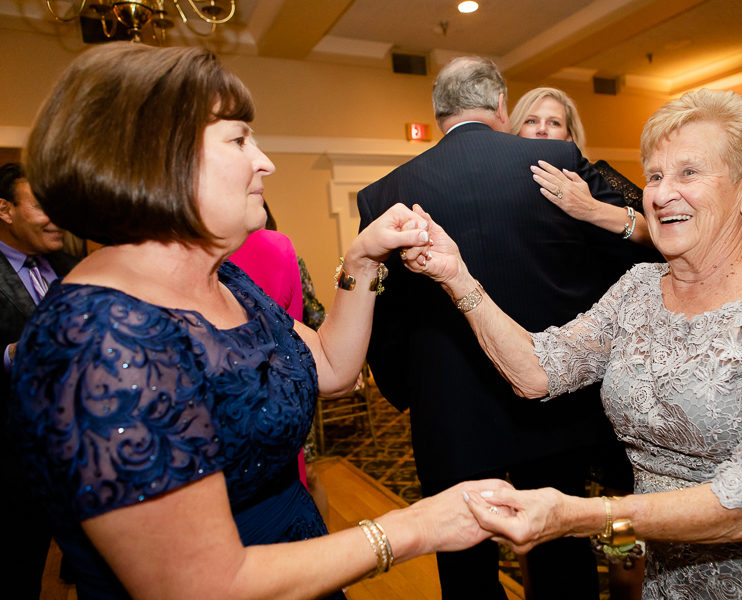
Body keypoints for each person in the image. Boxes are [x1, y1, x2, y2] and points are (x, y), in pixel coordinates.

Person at [9, 43, 491, 600]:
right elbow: (200, 586)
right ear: (157, 160)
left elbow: (331, 368)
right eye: (239, 139)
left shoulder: (226, 279)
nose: (266, 161)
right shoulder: (99, 337)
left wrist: (361, 260)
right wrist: (414, 526)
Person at [406, 88, 742, 598]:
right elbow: (537, 371)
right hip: (677, 576)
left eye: (689, 173)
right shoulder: (640, 288)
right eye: (656, 175)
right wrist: (458, 278)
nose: (661, 194)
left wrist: (585, 516)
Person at [357, 56, 650, 599]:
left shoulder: (383, 194)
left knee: (465, 567)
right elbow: (641, 250)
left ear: (439, 111)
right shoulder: (559, 162)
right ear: (501, 106)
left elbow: (385, 315)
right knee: (562, 552)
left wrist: (411, 390)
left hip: (450, 414)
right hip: (553, 403)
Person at [0, 162, 79, 598]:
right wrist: (14, 354)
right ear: (6, 210)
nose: (56, 217)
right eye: (40, 205)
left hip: (75, 457)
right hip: (13, 464)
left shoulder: (71, 264)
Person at [509, 87, 645, 213]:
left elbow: (647, 221)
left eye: (554, 123)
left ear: (569, 137)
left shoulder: (594, 176)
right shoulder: (504, 176)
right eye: (531, 121)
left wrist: (591, 207)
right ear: (517, 129)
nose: (542, 130)